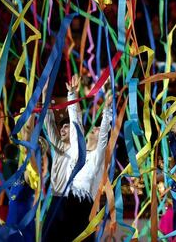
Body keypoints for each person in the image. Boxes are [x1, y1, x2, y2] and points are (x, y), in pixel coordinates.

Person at [62, 94, 113, 242]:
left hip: (85, 209)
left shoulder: (98, 158)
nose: (95, 128)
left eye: (98, 128)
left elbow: (104, 134)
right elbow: (75, 125)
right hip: (66, 205)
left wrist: (107, 110)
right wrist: (71, 95)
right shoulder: (78, 151)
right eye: (95, 127)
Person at [42, 75, 83, 241]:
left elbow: (76, 123)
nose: (63, 130)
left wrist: (72, 95)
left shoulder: (76, 148)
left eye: (66, 127)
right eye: (62, 128)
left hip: (70, 202)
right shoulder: (57, 146)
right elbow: (48, 120)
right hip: (55, 199)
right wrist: (45, 92)